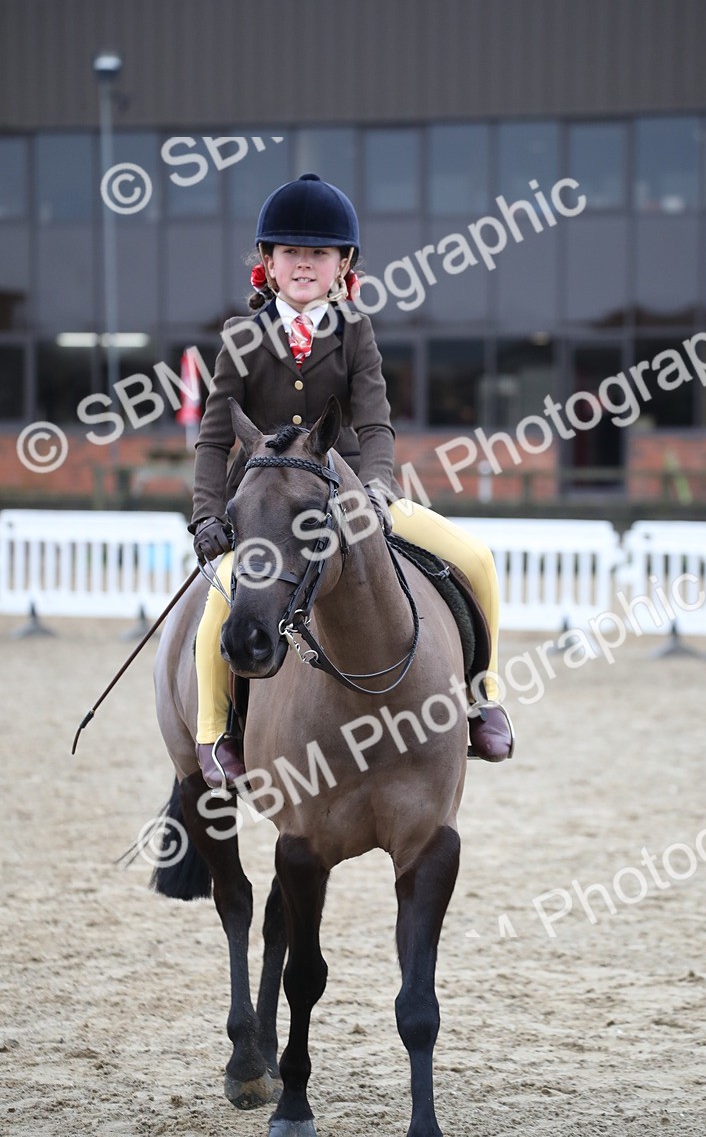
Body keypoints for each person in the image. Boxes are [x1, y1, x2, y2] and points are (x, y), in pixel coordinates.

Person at [190, 173, 514, 789]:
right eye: (292, 253)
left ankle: (482, 698)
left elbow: (376, 424)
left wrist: (375, 489)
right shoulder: (240, 337)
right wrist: (209, 515)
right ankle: (216, 735)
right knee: (221, 605)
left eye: (319, 254)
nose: (304, 264)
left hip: (346, 493)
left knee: (476, 559)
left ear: (343, 265)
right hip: (264, 508)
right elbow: (212, 439)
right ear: (268, 263)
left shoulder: (355, 331)